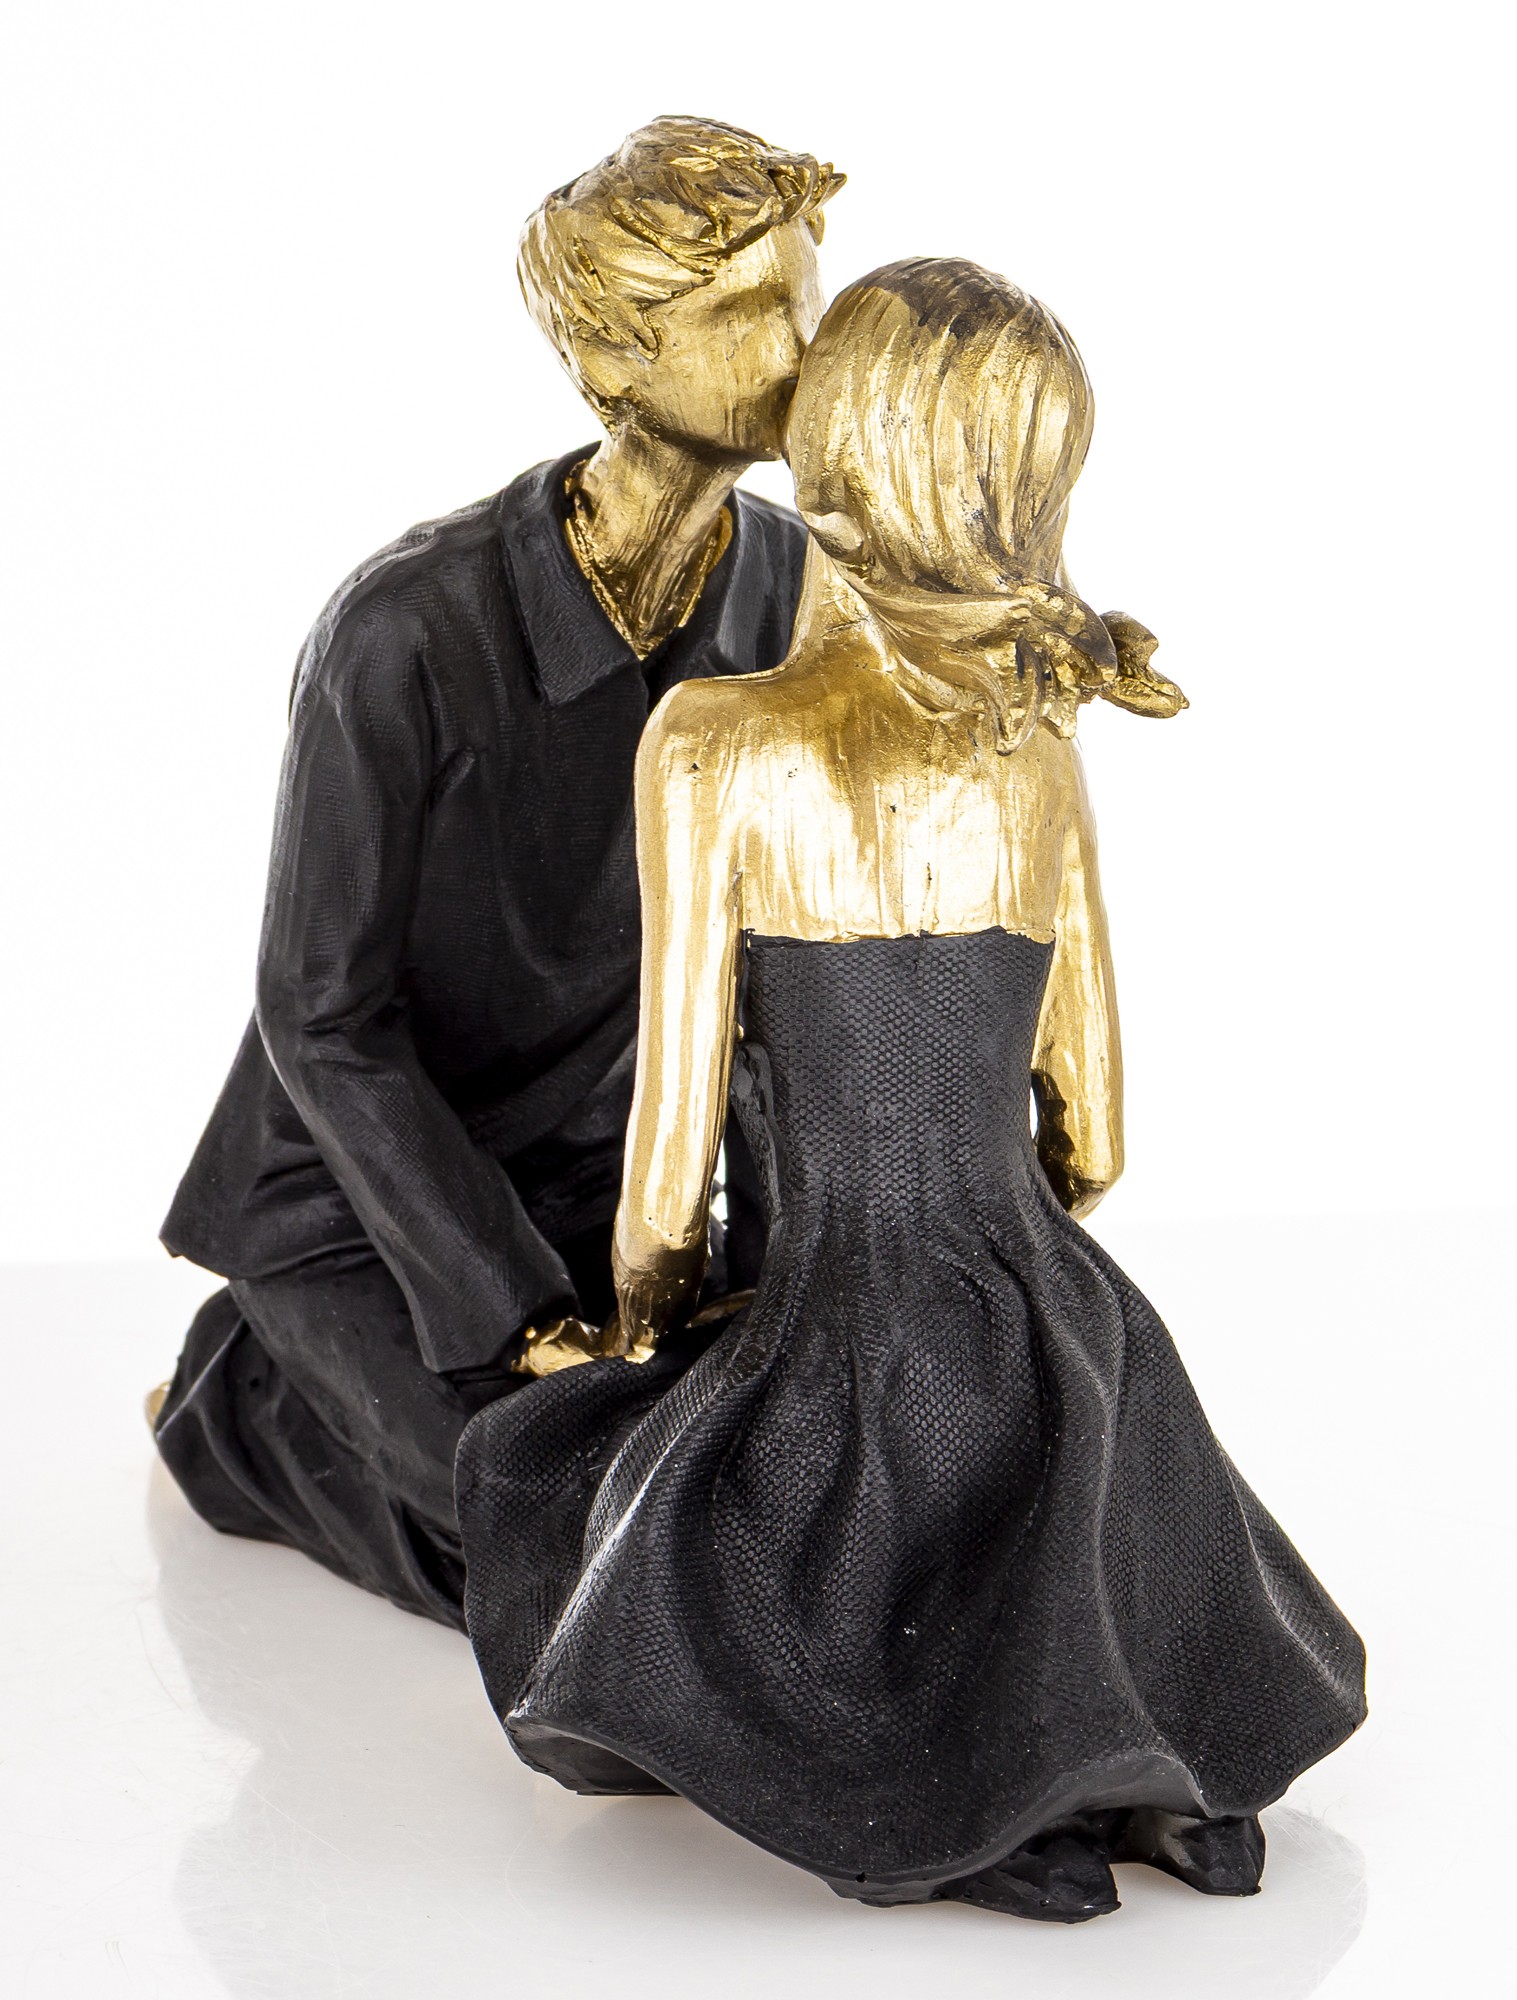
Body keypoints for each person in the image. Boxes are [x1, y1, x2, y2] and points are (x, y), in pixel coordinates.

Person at [455, 259, 1368, 1920]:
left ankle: (975, 1808)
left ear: (831, 462)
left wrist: (648, 1313)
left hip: (846, 1307)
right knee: (1092, 1517)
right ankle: (1165, 1784)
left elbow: (670, 1143)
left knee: (614, 1489)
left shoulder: (716, 742)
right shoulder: (1039, 746)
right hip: (1061, 1310)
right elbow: (1094, 1123)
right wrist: (1011, 1230)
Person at [151, 118, 843, 1627]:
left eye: (807, 297)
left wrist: (782, 1267)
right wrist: (517, 1314)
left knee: (769, 1512)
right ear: (608, 361)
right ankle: (247, 1408)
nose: (805, 349)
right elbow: (321, 1018)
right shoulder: (403, 630)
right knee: (558, 1564)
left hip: (602, 1195)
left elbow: (769, 968)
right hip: (359, 1206)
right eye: (745, 311)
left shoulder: (793, 586)